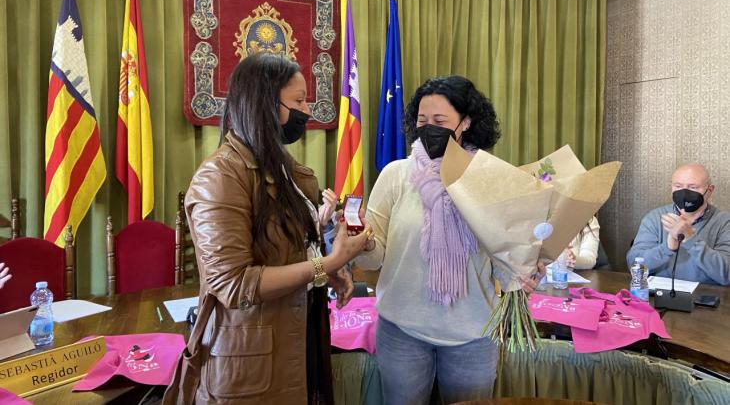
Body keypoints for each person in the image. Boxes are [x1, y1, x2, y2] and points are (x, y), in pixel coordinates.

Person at [166, 53, 372, 404]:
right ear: (264, 104)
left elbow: (290, 252)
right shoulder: (221, 175)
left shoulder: (286, 170)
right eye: (298, 101)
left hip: (300, 335)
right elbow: (233, 284)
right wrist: (329, 263)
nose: (307, 110)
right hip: (250, 359)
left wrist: (327, 274)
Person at [355, 76, 543, 404]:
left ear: (465, 123)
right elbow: (371, 261)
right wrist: (366, 242)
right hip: (401, 333)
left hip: (472, 337)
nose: (429, 128)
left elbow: (505, 265)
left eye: (440, 121)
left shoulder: (490, 181)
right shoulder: (395, 175)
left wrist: (526, 271)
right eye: (422, 120)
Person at [627, 163, 730, 286]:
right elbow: (634, 265)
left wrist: (691, 239)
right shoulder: (655, 218)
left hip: (706, 295)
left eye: (693, 187)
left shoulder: (724, 222)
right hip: (659, 294)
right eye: (678, 186)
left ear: (709, 190)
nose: (684, 192)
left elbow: (727, 274)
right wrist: (667, 248)